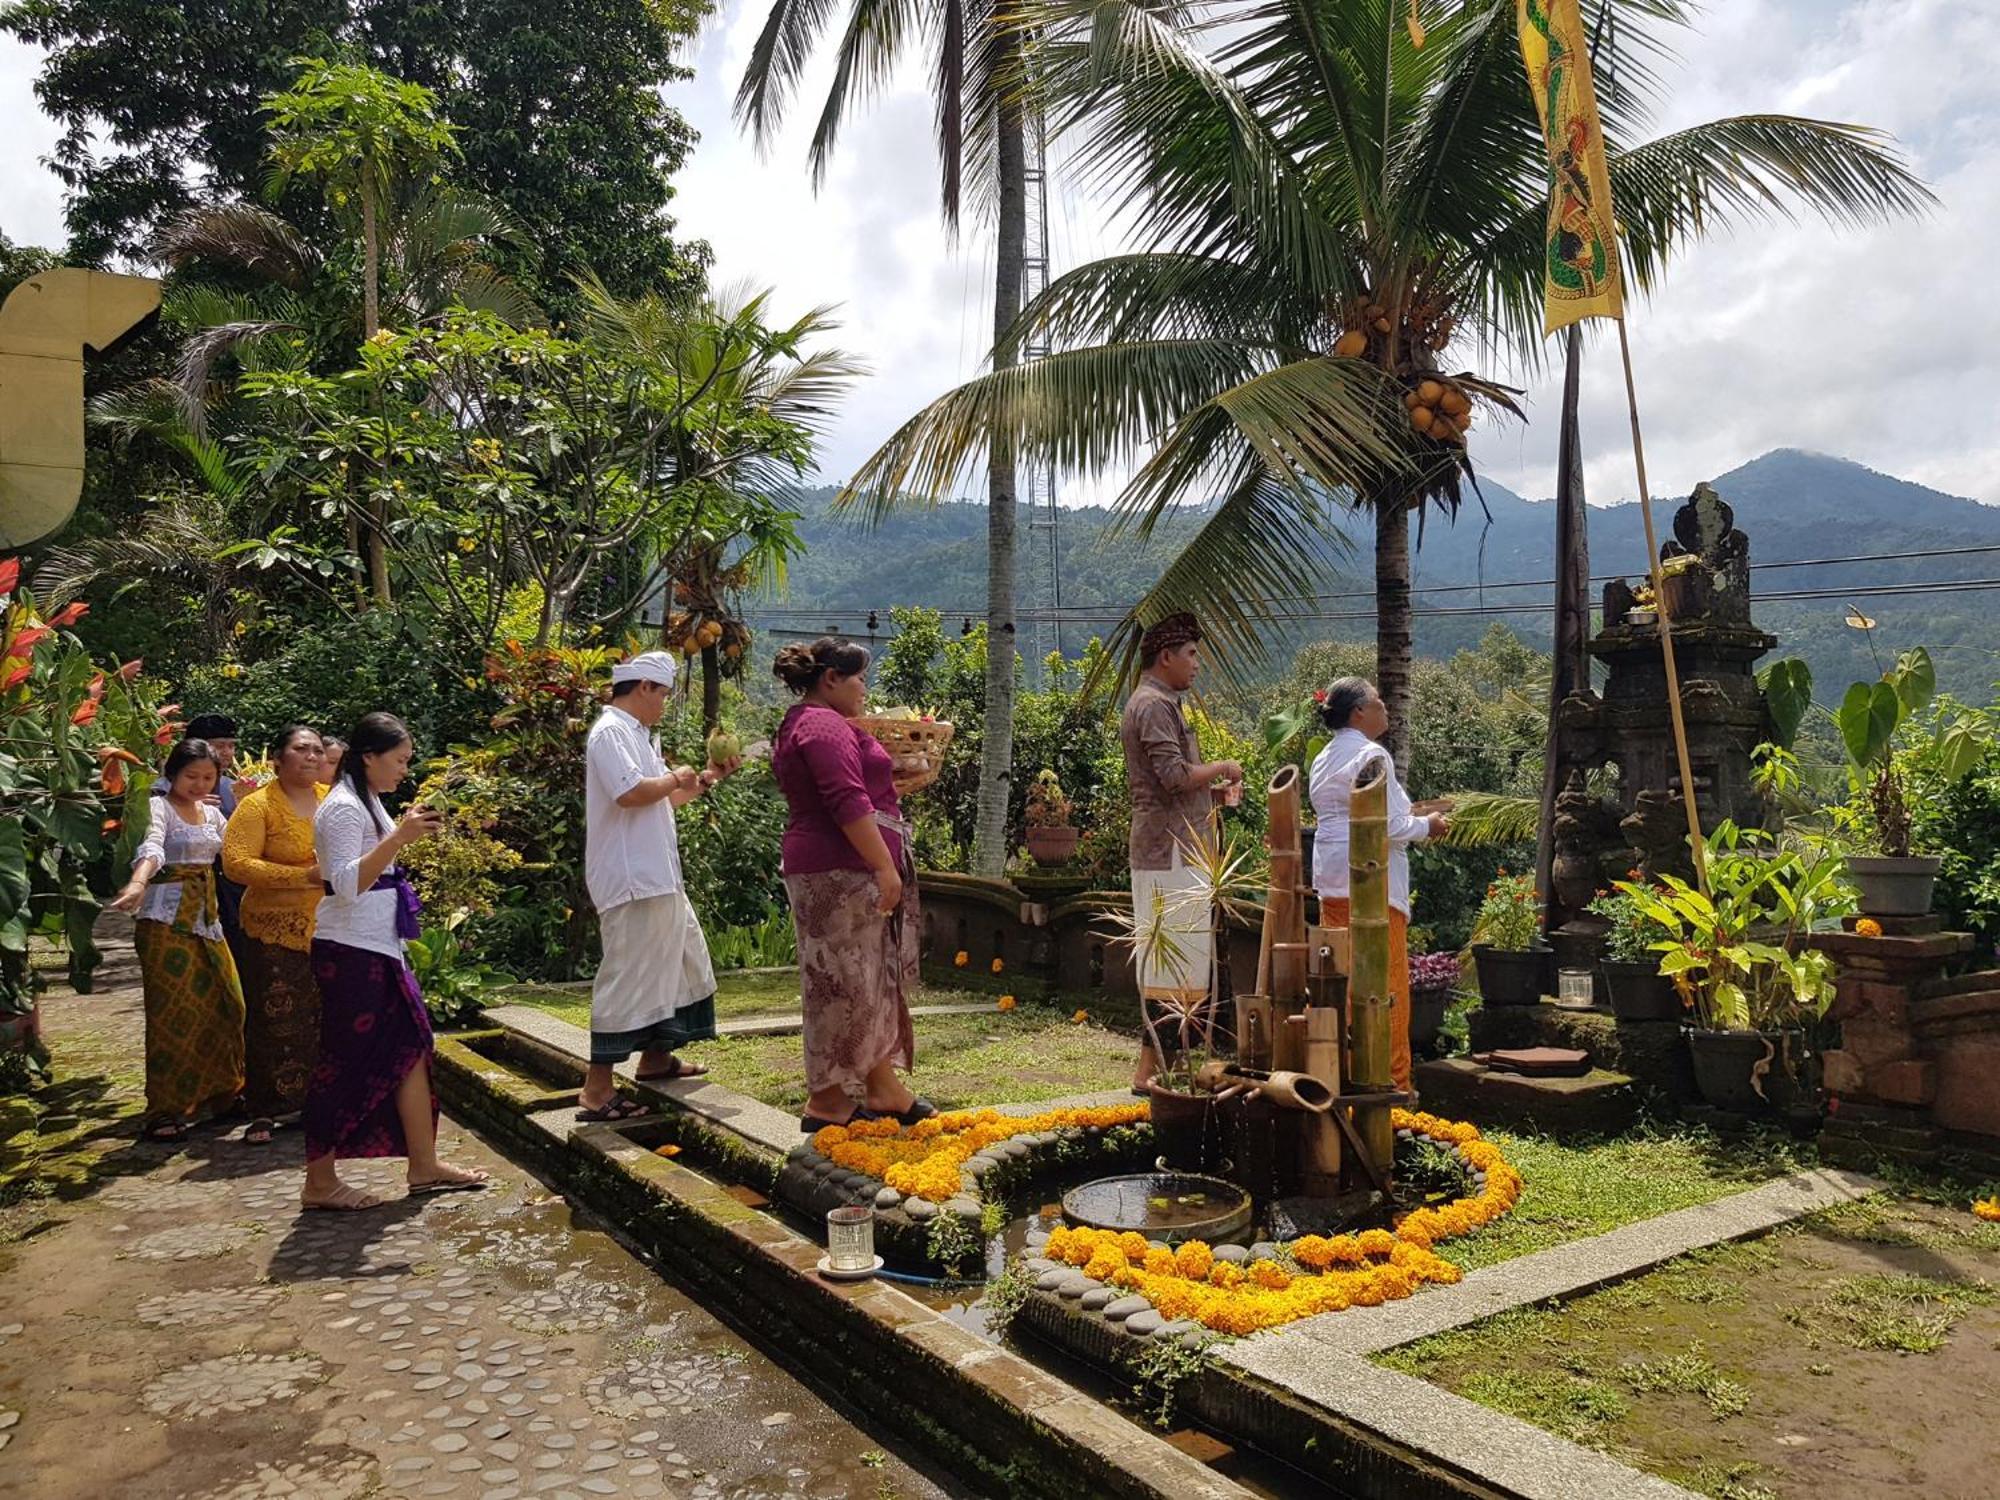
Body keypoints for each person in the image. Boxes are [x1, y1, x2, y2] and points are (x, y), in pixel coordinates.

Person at [300, 712, 487, 1210]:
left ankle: (423, 1164)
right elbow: (342, 883)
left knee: (410, 1051)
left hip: (381, 946)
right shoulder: (342, 808)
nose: (405, 769)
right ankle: (318, 1181)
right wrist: (399, 839)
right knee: (343, 1063)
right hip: (351, 949)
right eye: (400, 760)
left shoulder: (371, 803)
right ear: (369, 758)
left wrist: (400, 835)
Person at [771, 637, 934, 1132]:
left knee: (864, 981)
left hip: (837, 865)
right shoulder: (821, 726)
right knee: (839, 984)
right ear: (831, 680)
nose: (865, 688)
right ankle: (825, 1097)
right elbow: (844, 801)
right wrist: (885, 867)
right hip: (838, 870)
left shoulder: (813, 724)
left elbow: (852, 790)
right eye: (859, 678)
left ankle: (881, 1086)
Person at [577, 651, 740, 1122]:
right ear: (645, 688)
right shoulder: (610, 733)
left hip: (656, 875)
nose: (664, 705)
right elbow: (630, 795)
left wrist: (705, 779)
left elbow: (664, 801)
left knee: (684, 961)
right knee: (628, 975)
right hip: (632, 879)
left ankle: (656, 1058)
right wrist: (673, 775)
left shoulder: (637, 735)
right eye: (664, 695)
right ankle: (596, 1089)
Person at [1120, 613, 1243, 1092]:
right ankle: (1149, 1071)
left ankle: (1157, 1070)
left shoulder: (1161, 702)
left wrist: (1208, 793)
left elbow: (1171, 782)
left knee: (1179, 964)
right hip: (1168, 851)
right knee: (1170, 963)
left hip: (1175, 845)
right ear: (1166, 657)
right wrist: (1223, 767)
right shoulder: (1152, 705)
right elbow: (1172, 777)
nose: (1197, 664)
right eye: (1191, 654)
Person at [1309, 678, 1449, 1094]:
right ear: (1358, 713)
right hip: (1371, 879)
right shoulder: (1373, 755)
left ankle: (1347, 1070)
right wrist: (1429, 824)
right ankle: (1391, 1082)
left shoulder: (1324, 757)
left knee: (1343, 976)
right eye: (1377, 702)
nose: (1385, 707)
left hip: (1331, 875)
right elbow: (1387, 825)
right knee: (1385, 985)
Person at [108, 738, 246, 1141]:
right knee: (173, 1013)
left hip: (207, 920)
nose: (200, 784)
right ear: (172, 773)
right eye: (192, 776)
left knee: (227, 1004)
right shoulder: (157, 807)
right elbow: (151, 847)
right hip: (164, 922)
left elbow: (236, 850)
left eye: (208, 777)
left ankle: (223, 1093)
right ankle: (165, 1109)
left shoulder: (211, 813)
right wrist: (138, 884)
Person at [222, 725, 327, 1145]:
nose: (312, 757)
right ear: (277, 760)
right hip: (271, 929)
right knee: (275, 1017)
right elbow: (236, 864)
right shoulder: (258, 806)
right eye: (301, 750)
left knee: (322, 1019)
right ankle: (266, 1107)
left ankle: (319, 1100)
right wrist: (303, 876)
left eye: (318, 750)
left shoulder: (331, 801)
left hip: (328, 927)